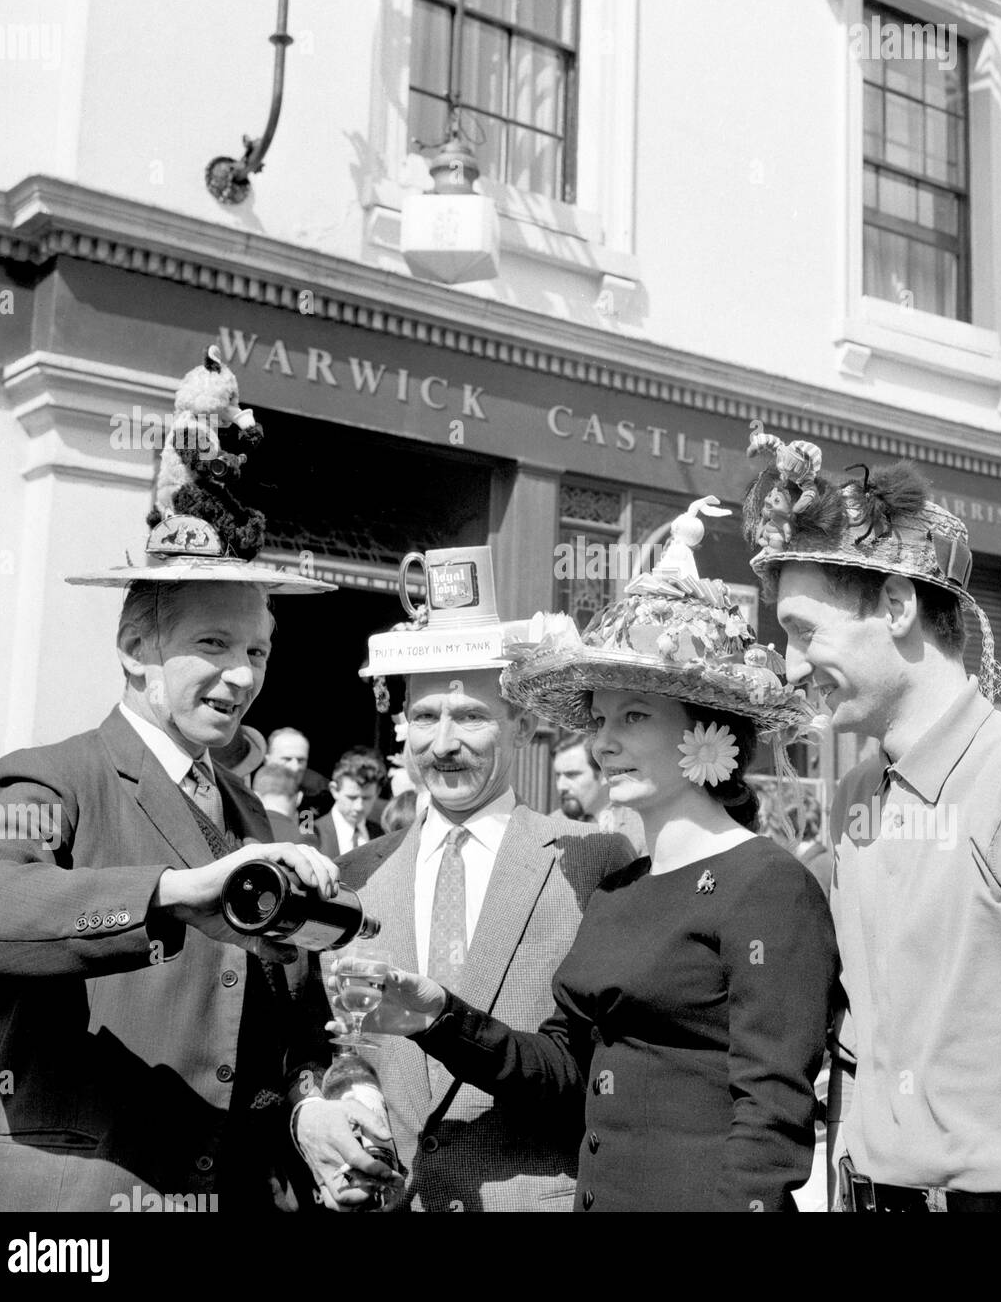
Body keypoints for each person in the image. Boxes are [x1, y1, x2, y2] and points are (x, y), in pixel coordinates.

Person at [358, 499, 838, 1212]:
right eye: (601, 719)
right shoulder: (618, 886)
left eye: (634, 717)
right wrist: (439, 1018)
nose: (604, 743)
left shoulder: (767, 883)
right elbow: (560, 1071)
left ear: (708, 727)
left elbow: (772, 1110)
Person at [0, 350, 341, 1212]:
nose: (241, 678)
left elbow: (286, 1022)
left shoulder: (258, 818)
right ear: (136, 651)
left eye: (256, 652)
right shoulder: (46, 779)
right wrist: (166, 895)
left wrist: (313, 1102)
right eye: (213, 645)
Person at [743, 438, 1001, 1212]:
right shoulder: (858, 790)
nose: (791, 668)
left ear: (897, 607)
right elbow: (860, 1039)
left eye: (804, 631)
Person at [290, 544, 636, 1212]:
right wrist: (329, 1109)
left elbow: (607, 1073)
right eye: (424, 717)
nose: (443, 743)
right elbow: (324, 1039)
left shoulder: (591, 859)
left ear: (523, 723)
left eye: (471, 716)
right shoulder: (358, 874)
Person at [313, 749, 386, 859]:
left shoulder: (382, 834)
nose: (359, 807)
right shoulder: (314, 833)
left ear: (377, 793)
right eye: (352, 797)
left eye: (367, 798)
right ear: (334, 790)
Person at [265, 727, 330, 820]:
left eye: (301, 760)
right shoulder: (247, 799)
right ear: (267, 760)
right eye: (287, 759)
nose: (295, 767)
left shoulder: (320, 800)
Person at [550, 737, 609, 821]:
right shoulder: (549, 826)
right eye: (558, 775)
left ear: (604, 776)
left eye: (572, 775)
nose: (561, 786)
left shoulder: (632, 826)